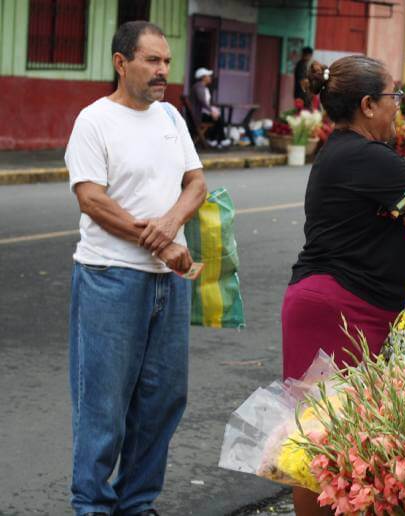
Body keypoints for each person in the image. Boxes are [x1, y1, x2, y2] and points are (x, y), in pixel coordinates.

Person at [282, 55, 405, 514]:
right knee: (322, 436)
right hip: (334, 309)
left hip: (353, 306)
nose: (399, 105)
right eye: (394, 96)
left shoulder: (359, 155)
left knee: (345, 431)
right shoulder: (361, 155)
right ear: (369, 104)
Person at [64, 21, 207, 516]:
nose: (163, 70)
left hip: (170, 283)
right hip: (110, 278)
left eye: (166, 61)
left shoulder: (170, 117)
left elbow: (196, 184)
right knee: (102, 405)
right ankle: (93, 506)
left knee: (162, 400)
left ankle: (138, 503)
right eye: (151, 60)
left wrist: (169, 225)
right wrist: (160, 243)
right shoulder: (94, 120)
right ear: (121, 63)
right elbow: (92, 199)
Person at [190, 67, 229, 147]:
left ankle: (215, 139)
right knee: (218, 118)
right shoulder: (198, 87)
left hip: (202, 113)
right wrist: (212, 111)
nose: (210, 78)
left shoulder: (203, 87)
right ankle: (218, 139)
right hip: (198, 116)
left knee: (218, 117)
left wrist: (213, 111)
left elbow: (206, 103)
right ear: (203, 77)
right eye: (208, 76)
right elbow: (202, 102)